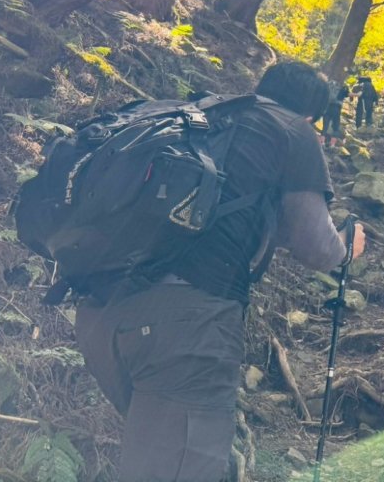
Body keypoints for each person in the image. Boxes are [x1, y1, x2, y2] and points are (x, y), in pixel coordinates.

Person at [73, 60, 366, 482]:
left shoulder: (207, 115)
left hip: (101, 311)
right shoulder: (292, 131)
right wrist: (347, 248)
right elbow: (315, 245)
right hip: (187, 326)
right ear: (310, 114)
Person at [321, 77, 349, 148]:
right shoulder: (342, 88)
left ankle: (322, 143)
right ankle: (332, 145)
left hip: (328, 107)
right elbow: (349, 95)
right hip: (337, 108)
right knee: (335, 127)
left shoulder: (328, 86)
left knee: (325, 126)